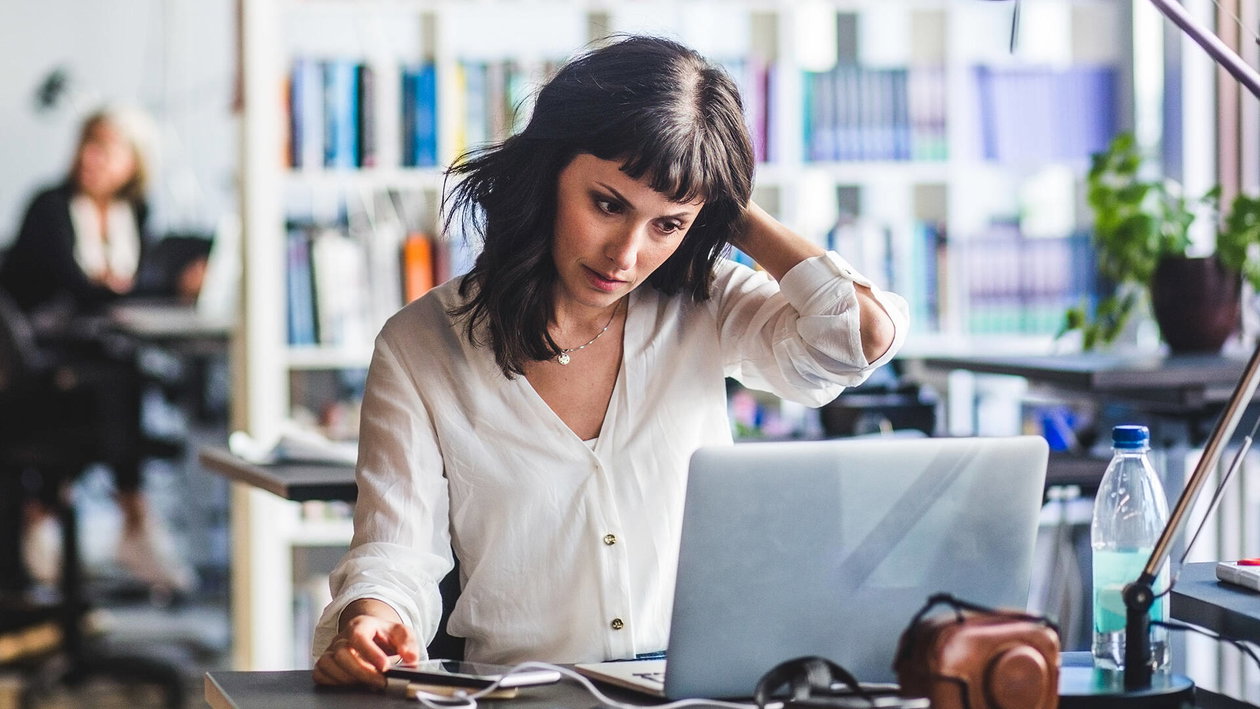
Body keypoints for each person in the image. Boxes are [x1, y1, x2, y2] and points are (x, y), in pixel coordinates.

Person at [312, 35, 908, 688]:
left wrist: (724, 204)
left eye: (667, 225)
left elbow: (858, 336)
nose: (626, 253)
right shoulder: (421, 345)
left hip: (702, 694)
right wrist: (370, 618)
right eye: (608, 204)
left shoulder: (705, 300)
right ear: (549, 171)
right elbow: (395, 553)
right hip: (525, 696)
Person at [0, 106, 196, 594]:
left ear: (134, 161)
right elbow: (76, 289)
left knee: (120, 374)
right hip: (36, 368)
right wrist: (152, 285)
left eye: (106, 147)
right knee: (118, 381)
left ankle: (50, 513)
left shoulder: (138, 212)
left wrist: (173, 279)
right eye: (87, 143)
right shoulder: (49, 207)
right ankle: (128, 517)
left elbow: (127, 285)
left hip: (91, 363)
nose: (91, 157)